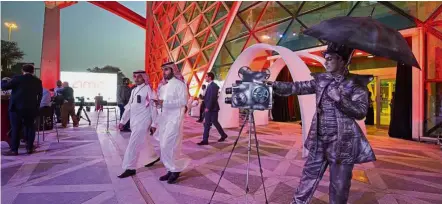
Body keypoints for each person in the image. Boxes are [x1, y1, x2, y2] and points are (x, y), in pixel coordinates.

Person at [272, 42, 376, 204]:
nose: (326, 62)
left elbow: (360, 112)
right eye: (325, 59)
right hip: (319, 140)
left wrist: (339, 98)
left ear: (342, 61)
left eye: (330, 59)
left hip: (343, 144)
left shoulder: (356, 85)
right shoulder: (321, 80)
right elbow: (299, 87)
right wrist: (273, 85)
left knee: (339, 185)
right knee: (308, 177)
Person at [152, 62, 190, 184]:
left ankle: (176, 168)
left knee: (170, 145)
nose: (164, 72)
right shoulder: (163, 87)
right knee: (163, 145)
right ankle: (170, 169)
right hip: (164, 119)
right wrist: (158, 105)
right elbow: (161, 103)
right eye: (163, 70)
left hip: (175, 119)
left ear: (173, 70)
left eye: (167, 70)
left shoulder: (180, 85)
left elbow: (183, 101)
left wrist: (164, 103)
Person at [117, 70, 160, 178]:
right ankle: (152, 157)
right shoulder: (134, 90)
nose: (136, 79)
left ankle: (130, 167)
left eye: (138, 77)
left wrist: (154, 123)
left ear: (144, 78)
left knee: (133, 143)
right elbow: (129, 107)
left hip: (144, 121)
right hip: (134, 121)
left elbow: (153, 107)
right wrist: (123, 121)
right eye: (134, 77)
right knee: (144, 140)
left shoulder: (149, 90)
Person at [1, 64, 43, 155]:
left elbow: (4, 87)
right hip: (31, 108)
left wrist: (3, 81)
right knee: (30, 128)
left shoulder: (17, 78)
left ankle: (14, 150)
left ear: (22, 71)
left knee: (15, 128)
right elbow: (40, 94)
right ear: (33, 71)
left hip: (16, 108)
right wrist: (37, 105)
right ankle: (29, 148)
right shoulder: (38, 81)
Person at [197, 72, 228, 145]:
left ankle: (205, 140)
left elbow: (213, 98)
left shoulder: (213, 86)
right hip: (212, 108)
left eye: (206, 76)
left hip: (211, 108)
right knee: (214, 122)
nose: (205, 78)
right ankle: (223, 135)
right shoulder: (210, 85)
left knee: (207, 123)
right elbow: (209, 97)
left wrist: (208, 107)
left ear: (210, 77)